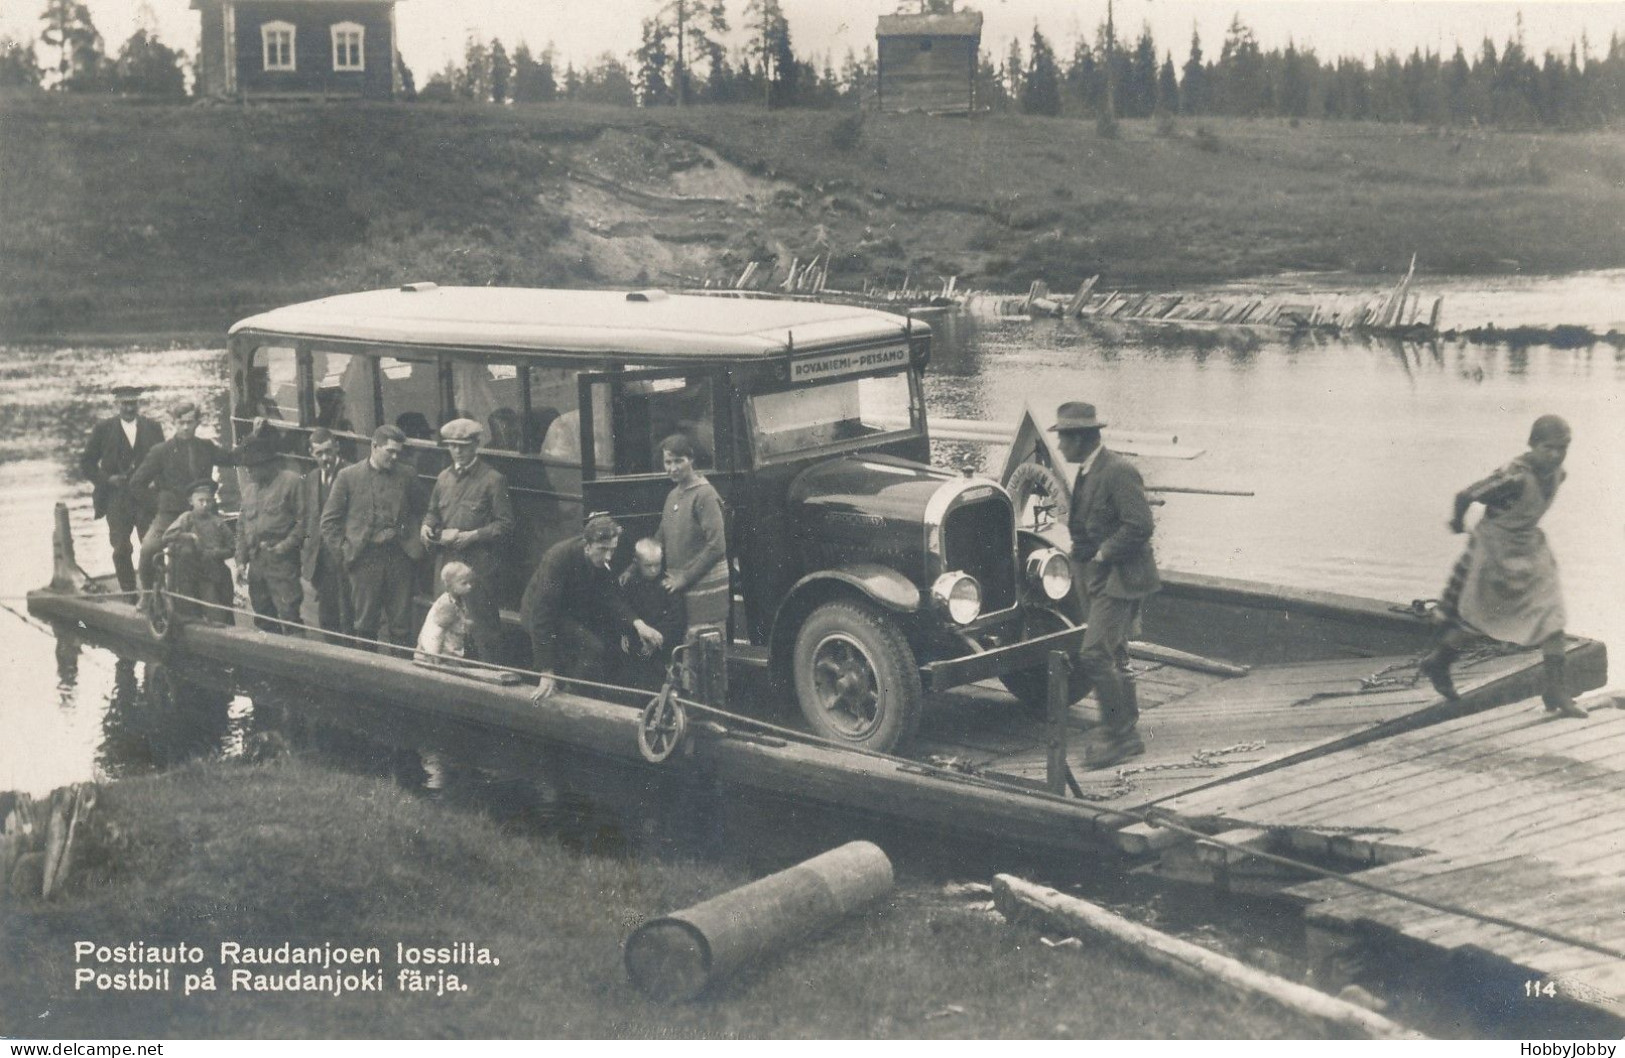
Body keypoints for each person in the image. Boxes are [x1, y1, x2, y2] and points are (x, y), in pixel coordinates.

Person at [1419, 414, 1586, 719]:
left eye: (1563, 448)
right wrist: (1458, 523)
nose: (1556, 454)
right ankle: (1439, 661)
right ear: (1532, 445)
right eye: (1549, 447)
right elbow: (1467, 495)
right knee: (1480, 619)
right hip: (1495, 548)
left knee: (1552, 616)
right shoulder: (1514, 477)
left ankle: (1556, 690)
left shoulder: (1558, 474)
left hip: (1529, 547)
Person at [1051, 401, 1160, 769]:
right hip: (1097, 579)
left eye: (1064, 437)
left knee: (1094, 655)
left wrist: (1103, 553)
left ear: (1081, 438)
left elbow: (1141, 524)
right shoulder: (1088, 470)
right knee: (1114, 653)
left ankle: (1122, 735)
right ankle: (1124, 728)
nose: (1060, 445)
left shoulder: (1117, 471)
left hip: (1121, 579)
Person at [522, 514, 663, 700]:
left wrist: (639, 624)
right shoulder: (557, 559)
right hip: (541, 615)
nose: (608, 556)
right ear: (587, 546)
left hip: (570, 611)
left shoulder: (602, 559)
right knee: (592, 647)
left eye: (612, 550)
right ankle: (571, 698)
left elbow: (611, 598)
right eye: (602, 549)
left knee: (603, 647)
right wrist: (546, 671)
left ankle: (578, 692)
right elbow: (542, 615)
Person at [129, 401, 254, 597]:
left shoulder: (206, 447)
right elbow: (136, 483)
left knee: (213, 551)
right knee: (148, 549)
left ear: (197, 423)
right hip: (169, 515)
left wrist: (253, 435)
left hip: (202, 514)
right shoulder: (161, 451)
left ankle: (209, 597)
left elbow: (232, 458)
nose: (186, 427)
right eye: (181, 422)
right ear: (174, 423)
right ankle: (147, 596)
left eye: (190, 422)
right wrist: (159, 502)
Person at [320, 424, 425, 655]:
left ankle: (403, 678)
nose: (395, 457)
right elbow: (328, 522)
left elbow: (422, 510)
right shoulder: (349, 476)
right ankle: (370, 677)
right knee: (365, 625)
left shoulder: (407, 475)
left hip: (400, 557)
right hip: (365, 559)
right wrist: (345, 552)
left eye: (398, 452)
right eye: (390, 451)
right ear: (374, 447)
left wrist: (415, 542)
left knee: (401, 627)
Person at [420, 418, 513, 662]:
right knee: (444, 621)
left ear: (476, 445)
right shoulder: (443, 478)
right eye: (453, 446)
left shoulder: (492, 479)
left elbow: (505, 525)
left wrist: (473, 536)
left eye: (463, 446)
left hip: (478, 567)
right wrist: (427, 526)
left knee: (483, 628)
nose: (458, 452)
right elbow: (433, 512)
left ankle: (490, 679)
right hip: (447, 564)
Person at [79, 384, 165, 594]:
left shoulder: (153, 427)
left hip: (145, 498)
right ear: (117, 403)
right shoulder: (103, 429)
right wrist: (107, 480)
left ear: (139, 403)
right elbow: (87, 463)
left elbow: (165, 461)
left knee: (152, 546)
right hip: (116, 499)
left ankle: (156, 591)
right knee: (121, 548)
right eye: (125, 403)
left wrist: (157, 483)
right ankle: (128, 591)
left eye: (133, 403)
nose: (129, 408)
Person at [654, 433, 729, 639]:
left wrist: (684, 578)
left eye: (679, 461)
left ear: (691, 460)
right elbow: (660, 537)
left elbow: (717, 545)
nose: (673, 468)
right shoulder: (673, 495)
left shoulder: (704, 494)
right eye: (668, 462)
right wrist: (635, 565)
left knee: (705, 652)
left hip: (705, 595)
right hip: (682, 595)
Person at [235, 435, 305, 634]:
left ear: (267, 464)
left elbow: (304, 524)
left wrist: (284, 547)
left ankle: (297, 657)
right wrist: (240, 561)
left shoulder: (291, 482)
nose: (248, 471)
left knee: (289, 615)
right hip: (257, 564)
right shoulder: (249, 491)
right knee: (263, 616)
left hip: (282, 562)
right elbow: (241, 527)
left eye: (252, 467)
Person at [299, 429, 353, 641]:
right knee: (327, 610)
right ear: (311, 454)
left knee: (350, 611)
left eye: (329, 452)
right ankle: (331, 650)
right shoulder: (311, 478)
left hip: (345, 554)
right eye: (319, 453)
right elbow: (308, 518)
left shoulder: (351, 473)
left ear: (337, 448)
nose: (325, 458)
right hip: (320, 557)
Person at [161, 479, 235, 623]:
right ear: (191, 501)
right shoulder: (186, 518)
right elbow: (167, 537)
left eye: (208, 501)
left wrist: (216, 553)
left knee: (224, 606)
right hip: (192, 571)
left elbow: (232, 548)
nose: (205, 504)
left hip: (214, 569)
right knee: (198, 607)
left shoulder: (217, 522)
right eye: (201, 500)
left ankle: (227, 625)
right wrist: (189, 536)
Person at [620, 538, 688, 689]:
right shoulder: (631, 583)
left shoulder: (667, 585)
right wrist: (624, 632)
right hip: (636, 641)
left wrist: (656, 641)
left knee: (655, 676)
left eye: (657, 565)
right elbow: (625, 608)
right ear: (636, 563)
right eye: (648, 566)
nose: (653, 570)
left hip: (661, 643)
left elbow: (676, 619)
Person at [416, 560, 476, 666]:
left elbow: (456, 619)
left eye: (470, 582)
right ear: (449, 585)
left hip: (451, 651)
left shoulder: (459, 600)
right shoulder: (447, 604)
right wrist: (434, 655)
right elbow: (435, 630)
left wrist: (464, 623)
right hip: (438, 655)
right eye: (464, 583)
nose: (469, 586)